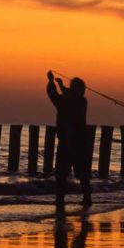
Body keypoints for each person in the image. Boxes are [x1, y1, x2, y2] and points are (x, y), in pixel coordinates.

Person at [47, 71, 92, 214]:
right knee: (82, 173)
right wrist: (61, 85)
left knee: (61, 174)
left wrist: (51, 81)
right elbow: (71, 95)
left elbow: (53, 95)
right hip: (80, 143)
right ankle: (87, 198)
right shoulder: (82, 101)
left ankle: (60, 200)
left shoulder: (64, 101)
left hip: (66, 143)